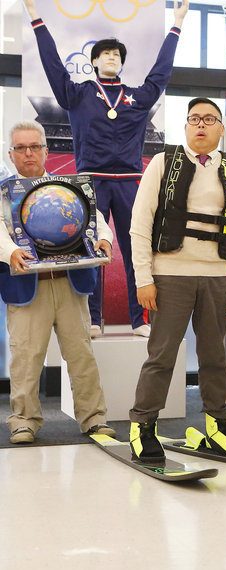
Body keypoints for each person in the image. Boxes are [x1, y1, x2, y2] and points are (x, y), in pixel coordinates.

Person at [24, 0, 190, 338]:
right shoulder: (77, 94)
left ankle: (139, 318)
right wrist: (35, 17)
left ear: (122, 62)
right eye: (106, 54)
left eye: (117, 54)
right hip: (91, 181)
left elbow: (161, 73)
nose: (112, 57)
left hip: (129, 182)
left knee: (135, 252)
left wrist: (177, 25)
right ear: (94, 61)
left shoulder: (135, 97)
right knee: (90, 251)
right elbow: (54, 66)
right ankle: (94, 318)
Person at [126, 98, 226, 461]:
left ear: (221, 128)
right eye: (194, 119)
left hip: (217, 277)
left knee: (215, 357)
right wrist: (143, 278)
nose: (201, 125)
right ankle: (143, 425)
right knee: (162, 355)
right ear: (185, 126)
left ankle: (217, 423)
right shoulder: (163, 163)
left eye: (209, 119)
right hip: (169, 276)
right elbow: (140, 225)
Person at [0, 120, 116, 444]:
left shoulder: (69, 189)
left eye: (34, 147)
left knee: (81, 355)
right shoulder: (4, 193)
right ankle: (23, 420)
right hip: (26, 287)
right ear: (11, 154)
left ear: (46, 151)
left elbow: (96, 223)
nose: (28, 154)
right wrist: (9, 251)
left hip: (70, 283)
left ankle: (94, 418)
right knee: (25, 357)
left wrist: (105, 241)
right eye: (20, 148)